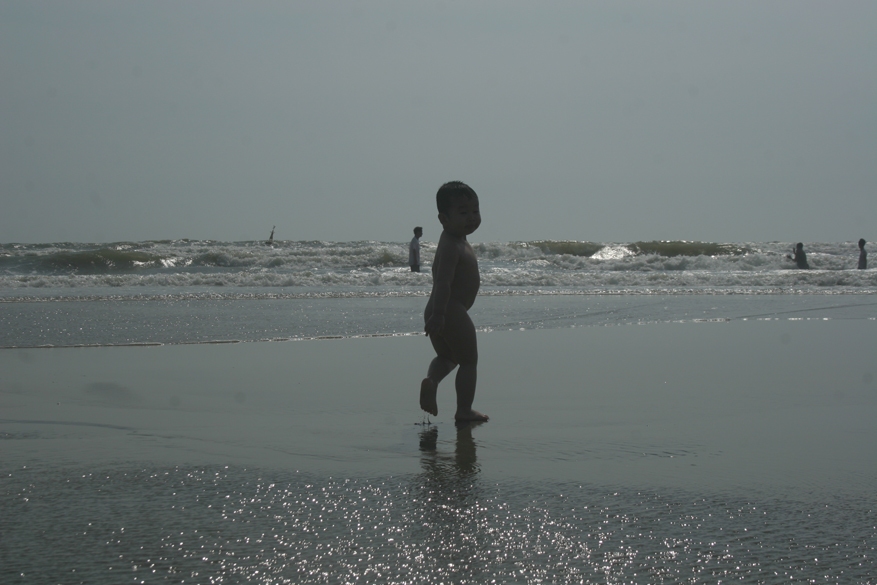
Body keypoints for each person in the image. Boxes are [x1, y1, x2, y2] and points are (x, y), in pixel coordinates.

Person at [420, 181, 488, 422]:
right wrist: (440, 314)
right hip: (449, 310)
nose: (471, 217)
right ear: (443, 219)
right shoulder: (451, 246)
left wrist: (436, 313)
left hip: (439, 310)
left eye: (475, 210)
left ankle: (432, 381)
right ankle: (463, 410)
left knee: (449, 357)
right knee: (469, 361)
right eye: (463, 212)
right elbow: (442, 282)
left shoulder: (456, 240)